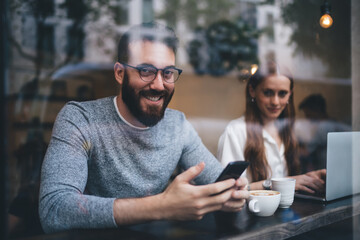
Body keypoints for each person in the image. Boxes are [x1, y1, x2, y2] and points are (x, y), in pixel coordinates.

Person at [39, 22, 249, 234]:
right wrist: (163, 206)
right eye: (146, 71)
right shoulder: (81, 119)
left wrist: (231, 193)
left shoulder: (178, 125)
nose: (159, 84)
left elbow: (218, 182)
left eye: (167, 73)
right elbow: (55, 209)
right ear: (120, 73)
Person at [217, 64, 326, 193]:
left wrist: (309, 179)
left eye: (282, 94)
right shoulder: (236, 131)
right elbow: (228, 190)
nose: (275, 101)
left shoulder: (288, 129)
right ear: (252, 91)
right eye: (268, 92)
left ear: (290, 94)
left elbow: (292, 179)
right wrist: (277, 184)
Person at [296, 94, 351, 172]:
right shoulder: (336, 124)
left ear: (316, 110)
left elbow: (306, 152)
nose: (307, 118)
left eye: (308, 114)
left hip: (326, 168)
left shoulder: (323, 127)